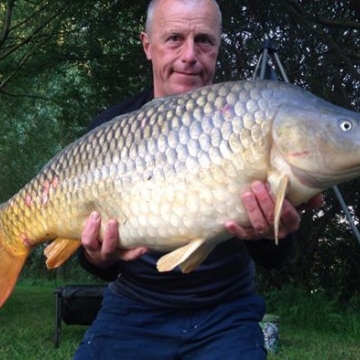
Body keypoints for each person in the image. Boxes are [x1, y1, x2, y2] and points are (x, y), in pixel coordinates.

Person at [74, 0, 322, 359]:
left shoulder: (247, 116)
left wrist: (270, 233)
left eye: (203, 40)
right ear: (147, 45)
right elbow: (93, 263)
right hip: (134, 309)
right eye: (174, 38)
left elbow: (276, 258)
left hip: (226, 312)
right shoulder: (107, 133)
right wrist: (96, 257)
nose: (190, 55)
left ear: (217, 47)